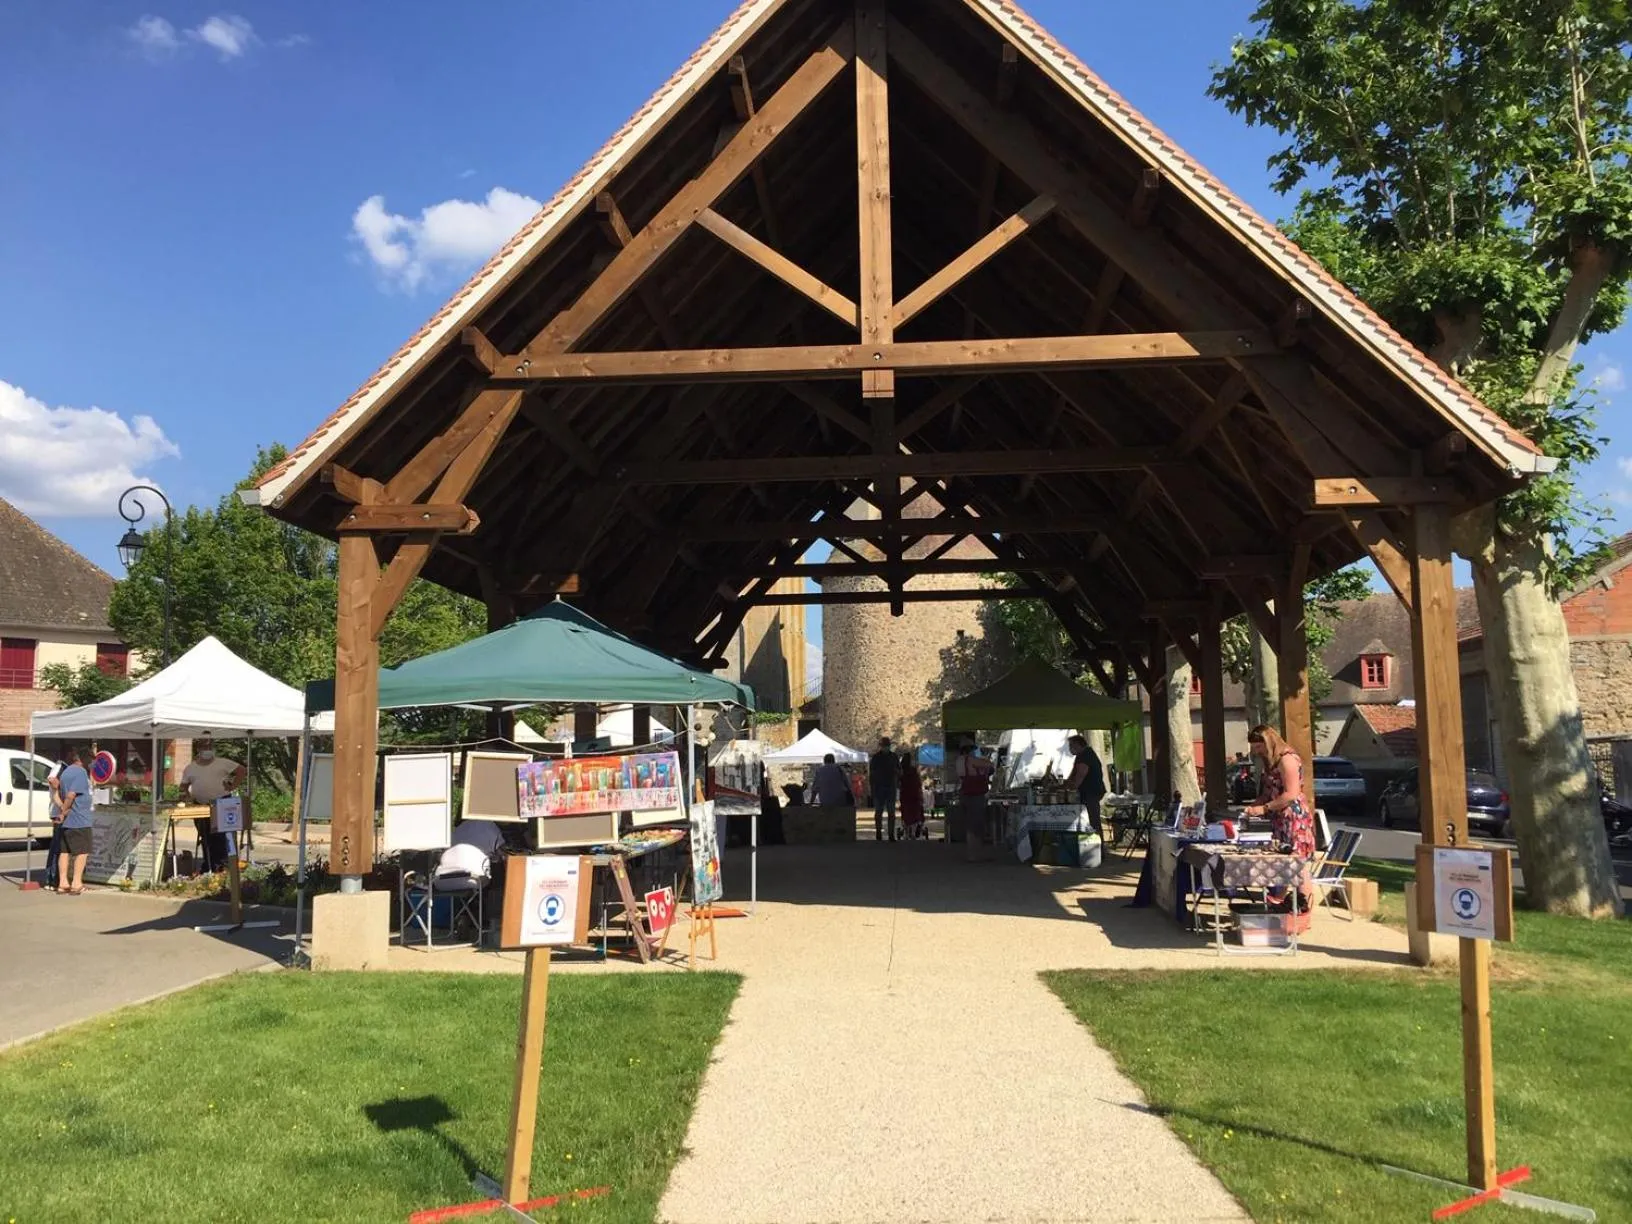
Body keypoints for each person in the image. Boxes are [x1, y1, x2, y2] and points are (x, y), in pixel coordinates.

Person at [1242, 724, 1315, 909]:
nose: (1257, 752)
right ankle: (1281, 901)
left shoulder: (1287, 759)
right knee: (1282, 860)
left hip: (1294, 817)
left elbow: (1291, 794)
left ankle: (1305, 908)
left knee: (1298, 863)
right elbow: (1268, 792)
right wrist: (1253, 807)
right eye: (1254, 748)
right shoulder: (1270, 762)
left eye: (1259, 747)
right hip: (1280, 818)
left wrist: (1265, 809)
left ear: (1269, 742)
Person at [182, 737, 246, 873]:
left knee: (222, 837)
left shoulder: (222, 763)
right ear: (198, 749)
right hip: (200, 806)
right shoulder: (190, 768)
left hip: (222, 803)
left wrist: (233, 785)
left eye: (210, 747)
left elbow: (241, 770)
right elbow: (183, 786)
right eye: (204, 747)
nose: (208, 750)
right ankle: (209, 865)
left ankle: (223, 866)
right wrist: (186, 796)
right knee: (205, 837)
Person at [55, 748, 95, 896]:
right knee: (82, 852)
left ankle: (62, 883)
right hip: (80, 819)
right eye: (91, 760)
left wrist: (62, 812)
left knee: (64, 852)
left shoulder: (66, 772)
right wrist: (64, 810)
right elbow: (71, 795)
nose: (92, 763)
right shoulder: (80, 772)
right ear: (84, 759)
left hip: (68, 821)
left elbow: (60, 793)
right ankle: (76, 884)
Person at [955, 738, 995, 860]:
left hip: (965, 793)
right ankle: (974, 854)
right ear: (970, 749)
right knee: (976, 824)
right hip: (975, 794)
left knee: (969, 824)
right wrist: (986, 758)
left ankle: (973, 853)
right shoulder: (971, 760)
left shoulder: (959, 761)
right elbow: (990, 765)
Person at [1065, 734, 1107, 842]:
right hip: (1090, 792)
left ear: (1078, 745)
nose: (1070, 748)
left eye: (1071, 745)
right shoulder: (1082, 755)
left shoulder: (1085, 756)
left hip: (1091, 792)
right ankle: (1094, 847)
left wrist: (1070, 789)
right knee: (1092, 820)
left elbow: (1080, 776)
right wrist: (1065, 784)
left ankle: (1098, 848)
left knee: (1093, 821)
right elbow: (1073, 774)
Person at [868, 736, 900, 842]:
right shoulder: (876, 758)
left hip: (890, 787)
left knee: (891, 812)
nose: (885, 748)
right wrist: (872, 789)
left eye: (887, 746)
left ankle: (891, 834)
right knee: (879, 812)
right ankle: (878, 833)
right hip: (879, 788)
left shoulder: (894, 757)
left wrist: (896, 773)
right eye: (884, 746)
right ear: (881, 746)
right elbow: (872, 774)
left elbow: (899, 771)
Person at [898, 750, 926, 839]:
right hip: (914, 796)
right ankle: (913, 831)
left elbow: (899, 783)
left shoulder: (901, 771)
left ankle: (906, 832)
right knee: (915, 813)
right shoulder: (913, 771)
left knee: (906, 813)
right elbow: (918, 783)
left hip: (905, 795)